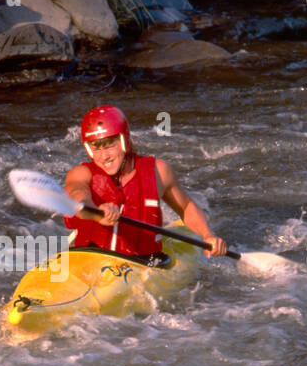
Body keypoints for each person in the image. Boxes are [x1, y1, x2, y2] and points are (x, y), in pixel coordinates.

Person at [63, 105, 228, 259]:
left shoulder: (158, 172)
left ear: (124, 141)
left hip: (145, 262)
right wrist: (96, 213)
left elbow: (186, 207)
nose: (103, 156)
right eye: (96, 148)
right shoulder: (81, 173)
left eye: (109, 146)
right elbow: (77, 197)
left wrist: (208, 235)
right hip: (90, 259)